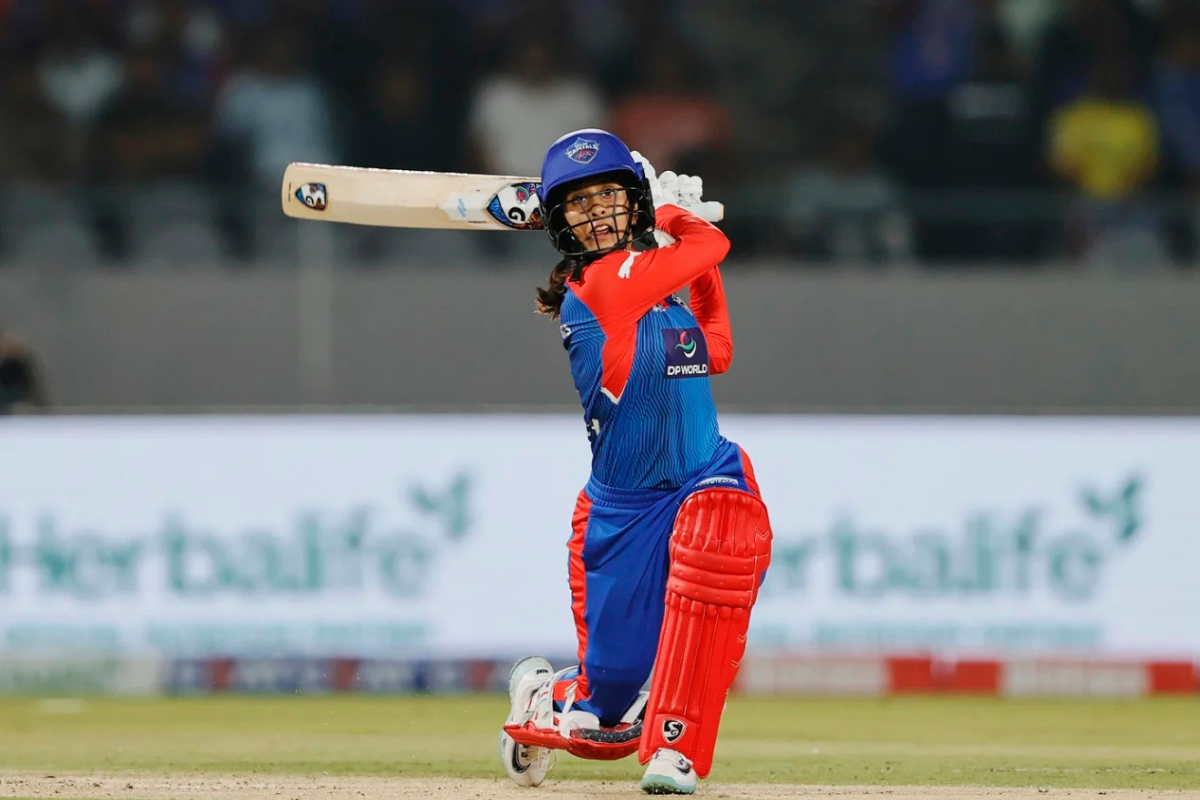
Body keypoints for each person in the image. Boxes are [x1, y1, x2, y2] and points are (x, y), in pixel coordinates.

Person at [497, 129, 773, 795]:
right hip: (626, 511)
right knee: (606, 719)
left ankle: (677, 748)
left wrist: (690, 253)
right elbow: (712, 245)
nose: (596, 210)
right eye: (579, 202)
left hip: (707, 474)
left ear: (632, 203)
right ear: (560, 224)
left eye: (609, 195)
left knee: (721, 537)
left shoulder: (658, 296)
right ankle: (548, 698)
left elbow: (716, 348)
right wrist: (678, 216)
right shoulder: (600, 288)